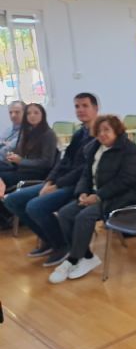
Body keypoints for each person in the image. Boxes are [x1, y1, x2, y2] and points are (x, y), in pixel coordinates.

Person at [4, 93, 98, 267]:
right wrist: (49, 181)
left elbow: (84, 169)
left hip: (79, 186)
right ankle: (49, 240)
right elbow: (63, 161)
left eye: (85, 106)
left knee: (34, 206)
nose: (80, 110)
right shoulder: (79, 134)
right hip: (60, 181)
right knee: (12, 200)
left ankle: (62, 244)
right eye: (77, 106)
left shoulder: (98, 135)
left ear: (95, 108)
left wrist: (57, 185)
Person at [49, 115, 136, 284]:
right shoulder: (94, 147)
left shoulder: (129, 149)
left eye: (107, 130)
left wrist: (99, 196)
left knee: (84, 216)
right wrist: (82, 193)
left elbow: (126, 180)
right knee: (64, 214)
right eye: (99, 131)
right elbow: (85, 174)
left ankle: (72, 259)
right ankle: (86, 256)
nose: (102, 134)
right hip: (94, 195)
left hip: (121, 197)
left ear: (117, 130)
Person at [0, 103, 57, 194]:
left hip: (33, 173)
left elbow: (46, 163)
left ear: (42, 115)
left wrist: (21, 161)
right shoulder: (27, 132)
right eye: (28, 113)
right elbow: (20, 152)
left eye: (36, 113)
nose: (32, 116)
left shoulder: (48, 134)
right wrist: (12, 156)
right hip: (20, 168)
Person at [0, 101, 25, 167]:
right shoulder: (8, 129)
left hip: (13, 167)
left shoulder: (27, 131)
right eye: (11, 112)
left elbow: (5, 151)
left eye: (17, 112)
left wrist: (4, 144)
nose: (13, 115)